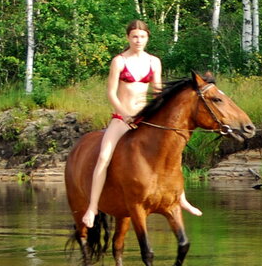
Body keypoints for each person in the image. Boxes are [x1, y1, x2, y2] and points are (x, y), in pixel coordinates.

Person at [81, 21, 201, 228]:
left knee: (173, 151)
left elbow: (157, 93)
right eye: (134, 37)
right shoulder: (119, 61)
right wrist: (125, 115)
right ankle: (92, 207)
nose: (138, 40)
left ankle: (181, 199)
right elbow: (111, 93)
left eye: (142, 37)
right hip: (122, 117)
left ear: (147, 38)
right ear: (128, 38)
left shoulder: (154, 62)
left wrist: (159, 115)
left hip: (145, 117)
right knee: (103, 156)